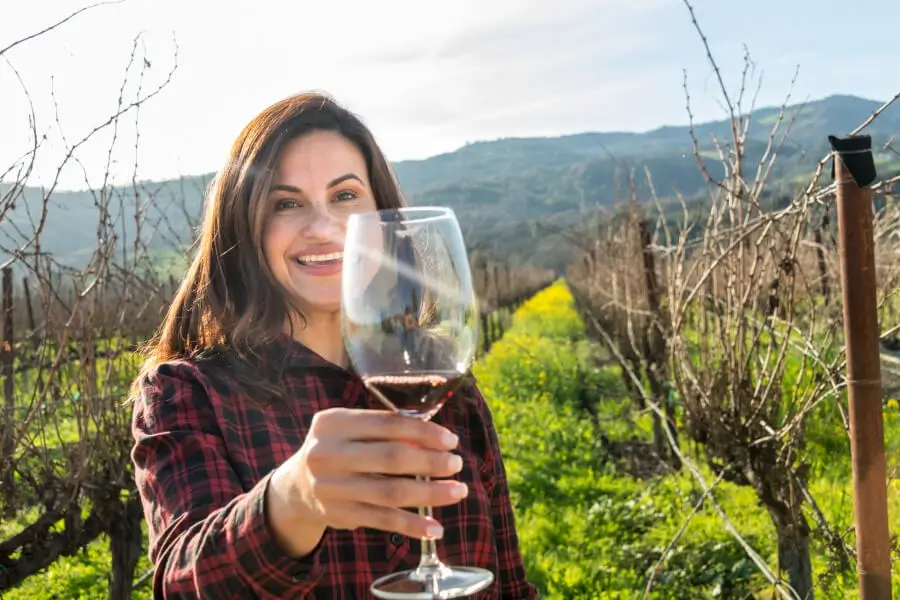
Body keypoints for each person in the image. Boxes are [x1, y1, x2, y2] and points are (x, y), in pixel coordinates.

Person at [129, 91, 538, 599]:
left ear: (383, 217)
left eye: (345, 196)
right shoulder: (186, 392)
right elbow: (183, 583)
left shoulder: (445, 384)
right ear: (245, 228)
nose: (323, 229)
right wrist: (291, 502)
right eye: (286, 204)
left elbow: (511, 585)